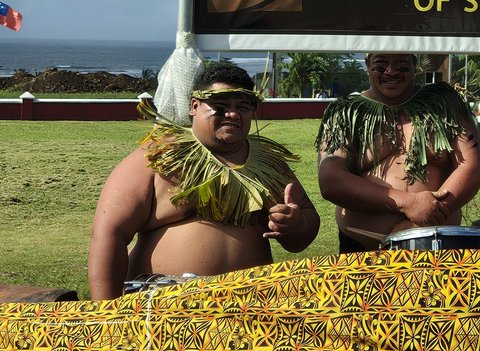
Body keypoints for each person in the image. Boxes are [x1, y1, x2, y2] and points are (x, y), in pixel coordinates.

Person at [88, 62, 319, 299]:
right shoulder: (158, 159)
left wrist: (295, 224)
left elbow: (303, 231)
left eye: (243, 106)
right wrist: (106, 313)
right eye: (220, 106)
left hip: (251, 306)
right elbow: (109, 233)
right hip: (165, 305)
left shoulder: (269, 166)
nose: (232, 114)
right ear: (194, 107)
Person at [317, 52, 480, 251]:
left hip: (434, 245)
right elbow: (330, 179)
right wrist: (408, 203)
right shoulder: (345, 112)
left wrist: (422, 222)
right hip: (362, 250)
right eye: (381, 64)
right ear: (367, 63)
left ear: (415, 64)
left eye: (401, 64)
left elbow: (472, 167)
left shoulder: (444, 103)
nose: (391, 71)